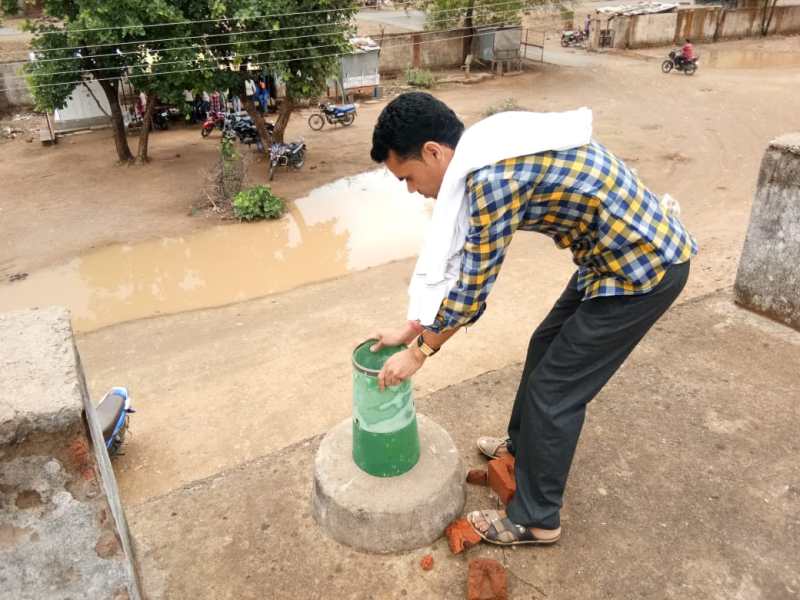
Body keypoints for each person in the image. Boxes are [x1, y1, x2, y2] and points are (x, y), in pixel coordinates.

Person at [368, 92, 697, 546]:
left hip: (642, 268)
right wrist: (411, 327)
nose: (411, 189)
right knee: (545, 344)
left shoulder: (491, 178)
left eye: (407, 177)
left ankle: (538, 519)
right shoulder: (481, 146)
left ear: (432, 152)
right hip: (608, 260)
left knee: (555, 391)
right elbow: (458, 264)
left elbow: (471, 291)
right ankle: (521, 451)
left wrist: (419, 352)